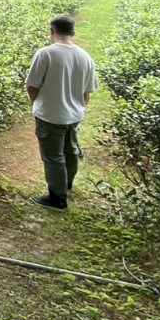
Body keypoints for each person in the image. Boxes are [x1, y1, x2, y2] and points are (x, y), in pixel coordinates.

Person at [25, 16, 99, 211]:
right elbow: (87, 92)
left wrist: (36, 104)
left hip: (50, 114)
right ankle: (66, 184)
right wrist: (77, 108)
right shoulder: (85, 56)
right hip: (74, 115)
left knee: (53, 156)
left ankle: (57, 198)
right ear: (73, 33)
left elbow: (32, 85)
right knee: (70, 150)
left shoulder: (46, 54)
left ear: (52, 31)